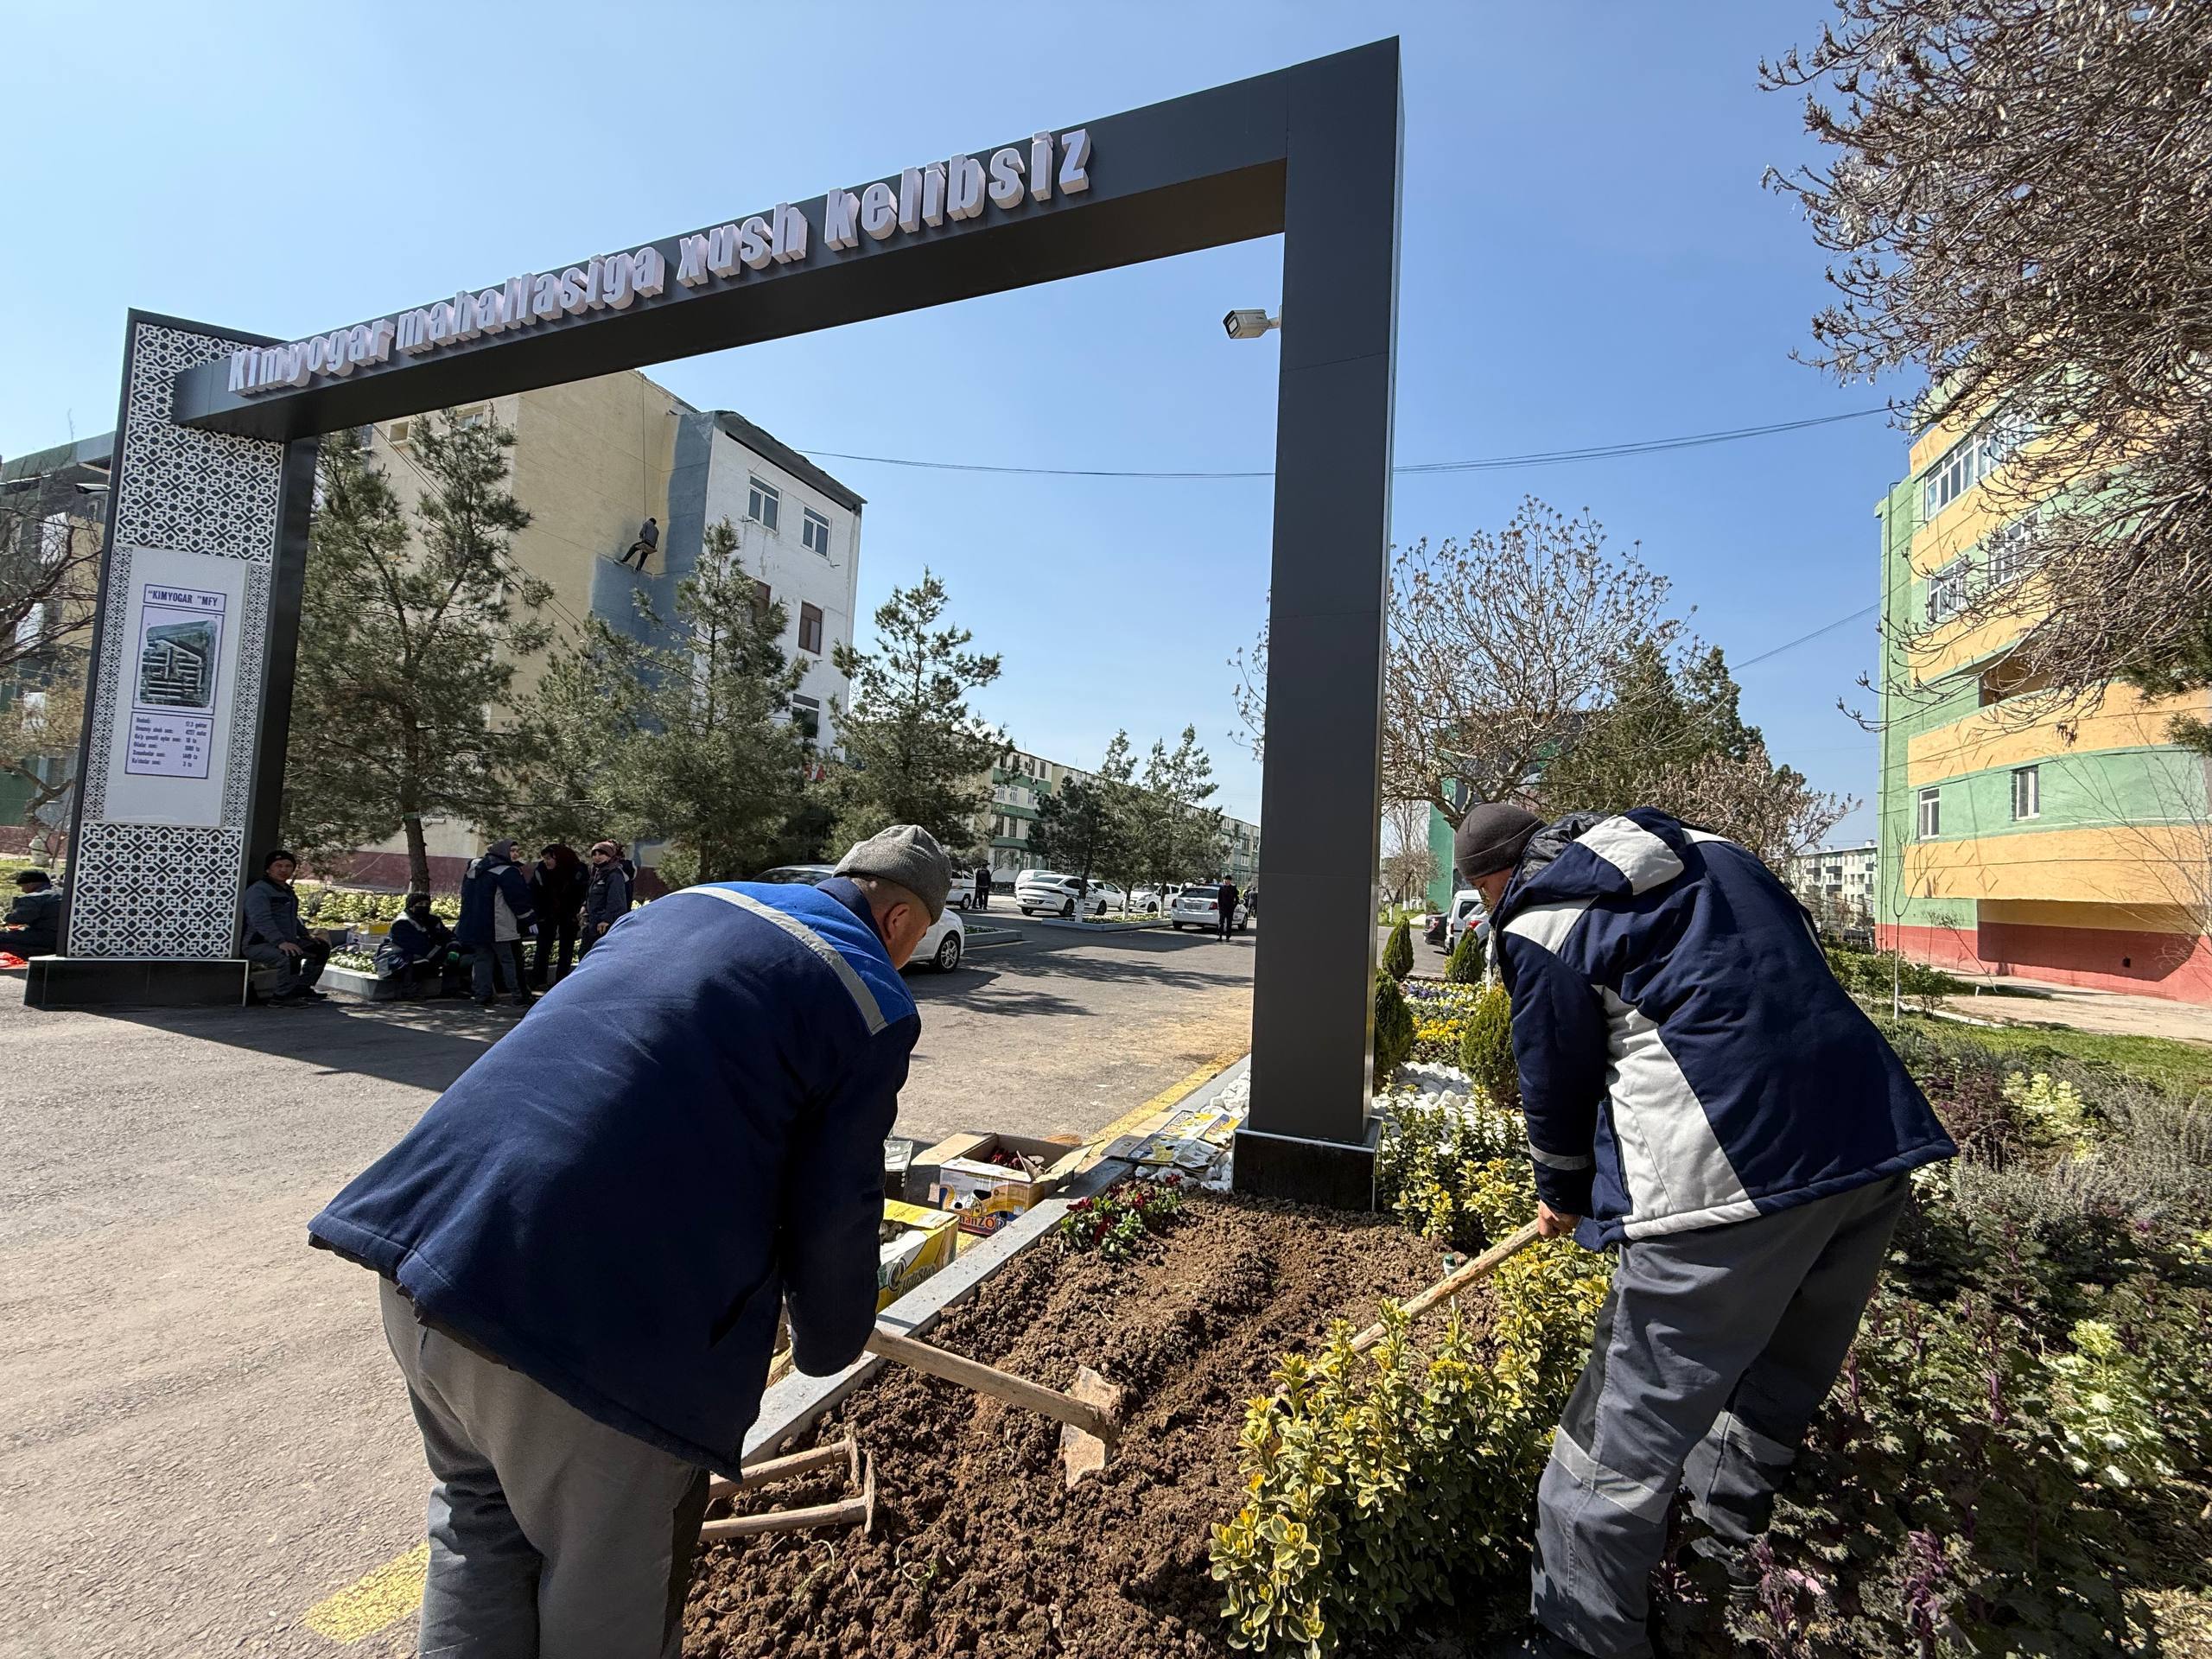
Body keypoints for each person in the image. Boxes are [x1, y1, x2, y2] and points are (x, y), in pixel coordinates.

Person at [307, 824, 953, 1659]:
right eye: (916, 938)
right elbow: (838, 1200)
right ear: (899, 920)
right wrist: (831, 1339)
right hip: (590, 1326)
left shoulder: (688, 906)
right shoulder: (867, 992)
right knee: (606, 1595)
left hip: (427, 1248)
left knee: (479, 1525)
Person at [1452, 802, 1957, 1659]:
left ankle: (1579, 1638)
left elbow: (1553, 1076)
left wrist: (1561, 1191)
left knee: (1606, 1450)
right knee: (1771, 1382)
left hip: (1724, 1181)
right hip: (1867, 1145)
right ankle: (1719, 1560)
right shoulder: (1719, 850)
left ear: (1494, 880)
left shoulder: (1538, 919)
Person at [457, 839, 537, 1011]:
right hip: (499, 925)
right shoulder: (507, 871)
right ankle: (519, 996)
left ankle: (482, 996)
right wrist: (529, 919)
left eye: (517, 850)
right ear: (503, 852)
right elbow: (518, 899)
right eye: (512, 850)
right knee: (509, 961)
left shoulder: (474, 869)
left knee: (482, 960)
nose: (515, 854)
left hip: (476, 925)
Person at [243, 849, 330, 1006]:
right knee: (290, 955)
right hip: (259, 944)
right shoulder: (259, 891)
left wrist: (305, 935)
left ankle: (302, 988)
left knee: (320, 948)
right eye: (278, 866)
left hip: (287, 941)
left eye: (288, 866)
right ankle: (281, 997)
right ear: (268, 869)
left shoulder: (286, 891)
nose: (283, 870)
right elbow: (261, 920)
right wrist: (280, 942)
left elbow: (291, 918)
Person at [377, 893, 461, 999]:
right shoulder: (402, 922)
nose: (424, 906)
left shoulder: (433, 920)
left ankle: (451, 990)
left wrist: (453, 950)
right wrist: (443, 957)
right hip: (392, 960)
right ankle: (408, 992)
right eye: (420, 904)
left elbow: (448, 937)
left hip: (421, 955)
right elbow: (420, 946)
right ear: (411, 906)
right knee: (419, 961)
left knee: (454, 958)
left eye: (427, 904)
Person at [527, 844, 588, 988]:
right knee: (543, 947)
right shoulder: (541, 871)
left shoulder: (576, 870)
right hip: (547, 914)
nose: (546, 862)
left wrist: (577, 911)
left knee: (566, 948)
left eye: (549, 858)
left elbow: (582, 892)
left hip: (570, 914)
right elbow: (534, 893)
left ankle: (562, 981)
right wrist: (538, 914)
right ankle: (539, 980)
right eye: (544, 859)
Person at [582, 839, 632, 955]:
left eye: (601, 854)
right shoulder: (597, 872)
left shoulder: (614, 874)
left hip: (604, 925)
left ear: (609, 855)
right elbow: (591, 895)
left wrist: (606, 919)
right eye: (594, 854)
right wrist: (584, 907)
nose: (597, 857)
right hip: (592, 922)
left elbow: (616, 900)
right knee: (584, 954)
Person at [0, 869, 62, 957]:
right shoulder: (64, 892)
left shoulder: (35, 897)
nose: (23, 890)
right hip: (66, 937)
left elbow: (19, 919)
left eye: (23, 886)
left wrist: (6, 917)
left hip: (48, 937)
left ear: (31, 884)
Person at [1214, 874, 1240, 941]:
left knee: (1229, 923)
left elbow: (1237, 898)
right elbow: (1219, 898)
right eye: (1225, 880)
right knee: (1221, 922)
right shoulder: (1221, 888)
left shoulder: (1233, 888)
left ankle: (1227, 937)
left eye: (1227, 880)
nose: (1226, 881)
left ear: (1230, 881)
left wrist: (1234, 906)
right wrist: (1219, 906)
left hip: (1230, 908)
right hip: (1222, 908)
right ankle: (1220, 936)